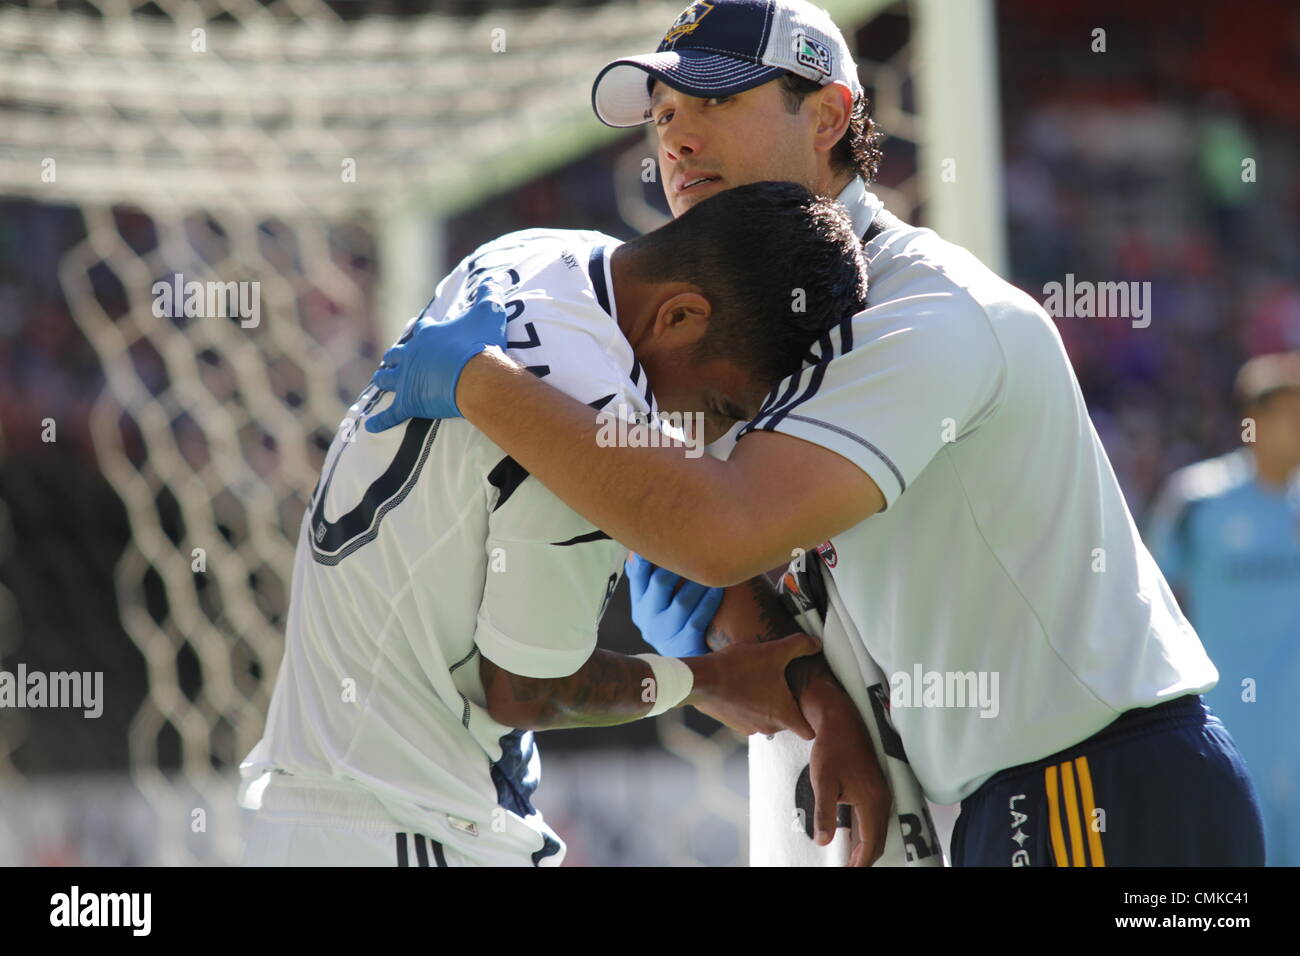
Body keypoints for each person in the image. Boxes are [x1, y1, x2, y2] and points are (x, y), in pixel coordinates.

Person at [367, 0, 1266, 865]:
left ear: (832, 114)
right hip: (1002, 801)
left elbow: (720, 532)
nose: (675, 139)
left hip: (1094, 791)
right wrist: (772, 661)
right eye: (664, 111)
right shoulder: (752, 327)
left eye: (716, 99)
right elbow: (725, 577)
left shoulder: (923, 313)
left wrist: (481, 383)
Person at [236, 181, 871, 866]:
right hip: (417, 824)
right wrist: (712, 682)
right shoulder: (586, 438)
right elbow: (526, 691)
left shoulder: (531, 256)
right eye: (721, 406)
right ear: (682, 316)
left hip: (319, 796)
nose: (706, 437)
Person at [1147, 352, 1300, 865]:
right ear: (1255, 423)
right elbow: (1149, 601)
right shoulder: (1199, 501)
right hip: (1225, 718)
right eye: (1292, 415)